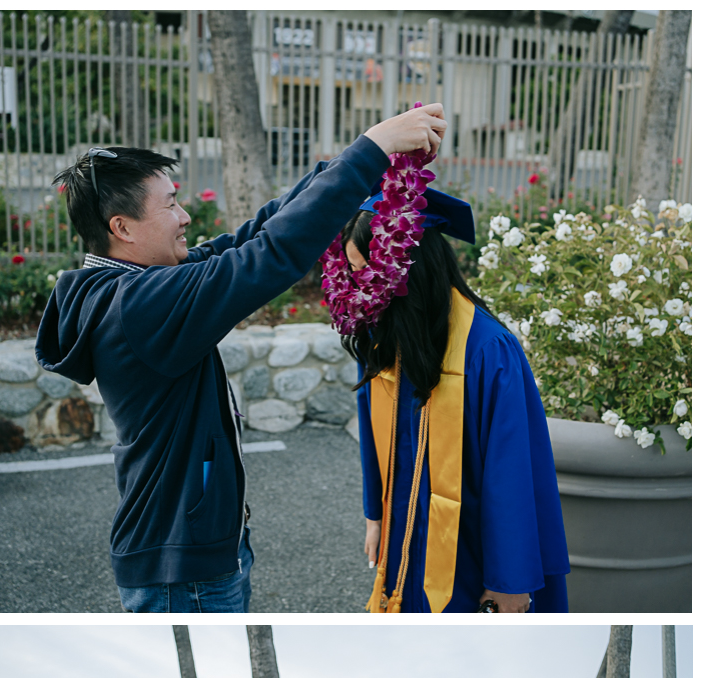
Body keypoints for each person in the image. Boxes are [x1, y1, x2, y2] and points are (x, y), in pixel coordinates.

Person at [35, 104, 447, 612]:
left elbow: (253, 235)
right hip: (182, 570)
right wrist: (372, 149)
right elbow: (270, 256)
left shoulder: (134, 286)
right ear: (122, 227)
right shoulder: (140, 305)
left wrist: (355, 159)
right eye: (169, 205)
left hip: (190, 551)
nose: (185, 217)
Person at [333, 187, 570, 613]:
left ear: (407, 272)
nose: (359, 289)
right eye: (353, 272)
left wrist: (509, 581)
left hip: (472, 548)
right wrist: (376, 515)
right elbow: (374, 438)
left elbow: (513, 475)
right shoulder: (382, 339)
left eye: (365, 272)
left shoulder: (487, 351)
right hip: (404, 525)